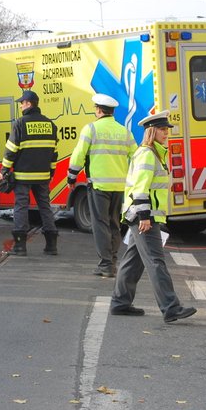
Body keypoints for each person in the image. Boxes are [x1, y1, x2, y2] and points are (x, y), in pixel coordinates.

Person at [110, 111, 196, 323]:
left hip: (144, 215)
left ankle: (120, 303)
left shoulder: (156, 153)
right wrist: (145, 216)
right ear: (151, 131)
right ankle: (170, 308)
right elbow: (140, 188)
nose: (166, 133)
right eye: (162, 130)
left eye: (167, 130)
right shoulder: (148, 154)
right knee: (156, 261)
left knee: (134, 261)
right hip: (142, 216)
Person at [67, 93, 137, 275]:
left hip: (99, 186)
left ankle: (106, 265)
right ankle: (112, 260)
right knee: (114, 223)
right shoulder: (124, 131)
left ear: (98, 110)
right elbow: (136, 157)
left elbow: (78, 155)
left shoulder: (91, 129)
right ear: (112, 111)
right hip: (120, 187)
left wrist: (71, 177)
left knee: (100, 224)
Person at [0, 90, 58, 256]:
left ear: (28, 103)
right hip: (43, 176)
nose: (20, 105)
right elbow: (54, 153)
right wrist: (51, 172)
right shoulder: (50, 124)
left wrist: (4, 170)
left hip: (23, 176)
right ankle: (51, 246)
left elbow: (10, 150)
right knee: (45, 207)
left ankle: (20, 246)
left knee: (21, 207)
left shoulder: (20, 123)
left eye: (22, 102)